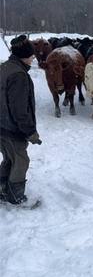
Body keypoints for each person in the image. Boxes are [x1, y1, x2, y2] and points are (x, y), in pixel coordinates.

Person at [0, 34, 42, 206]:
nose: (33, 58)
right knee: (20, 161)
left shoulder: (5, 68)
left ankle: (3, 188)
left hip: (1, 126)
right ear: (23, 55)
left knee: (9, 159)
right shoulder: (19, 75)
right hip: (12, 129)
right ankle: (15, 197)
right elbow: (20, 110)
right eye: (31, 55)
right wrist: (30, 132)